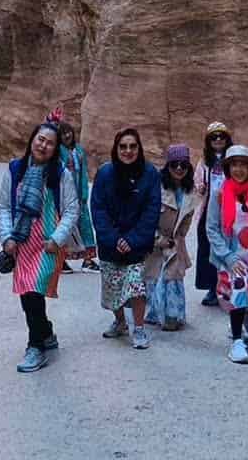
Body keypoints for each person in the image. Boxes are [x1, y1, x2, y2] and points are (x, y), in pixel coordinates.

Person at [0, 121, 79, 373]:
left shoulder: (61, 175)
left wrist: (57, 239)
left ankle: (35, 347)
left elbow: (71, 209)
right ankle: (46, 332)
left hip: (48, 244)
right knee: (27, 295)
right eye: (40, 139)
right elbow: (4, 206)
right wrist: (7, 237)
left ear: (56, 149)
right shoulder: (15, 170)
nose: (43, 145)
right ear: (32, 140)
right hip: (21, 242)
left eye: (50, 143)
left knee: (34, 291)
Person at [90, 127, 162, 350]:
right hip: (110, 244)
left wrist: (132, 239)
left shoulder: (150, 174)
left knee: (136, 287)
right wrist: (114, 239)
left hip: (137, 244)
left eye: (132, 146)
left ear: (139, 148)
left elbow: (151, 211)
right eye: (123, 146)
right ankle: (120, 322)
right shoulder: (105, 174)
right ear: (116, 148)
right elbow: (98, 209)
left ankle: (138, 328)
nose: (128, 151)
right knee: (112, 288)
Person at [206, 144, 248, 364]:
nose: (239, 169)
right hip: (231, 258)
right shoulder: (219, 194)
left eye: (243, 165)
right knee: (240, 288)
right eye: (234, 165)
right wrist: (227, 256)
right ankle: (236, 342)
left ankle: (240, 328)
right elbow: (212, 228)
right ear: (228, 168)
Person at [144, 144, 197, 330]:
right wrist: (158, 240)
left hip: (175, 244)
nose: (179, 168)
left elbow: (186, 222)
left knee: (173, 278)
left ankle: (172, 315)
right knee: (154, 277)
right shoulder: (156, 188)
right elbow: (146, 218)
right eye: (175, 164)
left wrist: (177, 240)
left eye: (184, 164)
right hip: (156, 244)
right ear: (168, 166)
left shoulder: (189, 191)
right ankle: (154, 313)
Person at [194, 121, 232, 306]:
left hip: (229, 208)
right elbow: (197, 179)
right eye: (214, 137)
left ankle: (228, 287)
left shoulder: (232, 159)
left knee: (227, 248)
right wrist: (200, 186)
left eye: (221, 136)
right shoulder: (204, 161)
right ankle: (211, 287)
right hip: (209, 208)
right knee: (207, 249)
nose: (218, 140)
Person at [57, 118, 98, 272]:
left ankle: (88, 260)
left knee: (85, 225)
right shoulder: (58, 151)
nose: (67, 135)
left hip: (79, 195)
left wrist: (84, 192)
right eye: (63, 133)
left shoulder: (79, 150)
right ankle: (61, 261)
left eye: (68, 132)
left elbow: (84, 172)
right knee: (65, 227)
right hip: (64, 196)